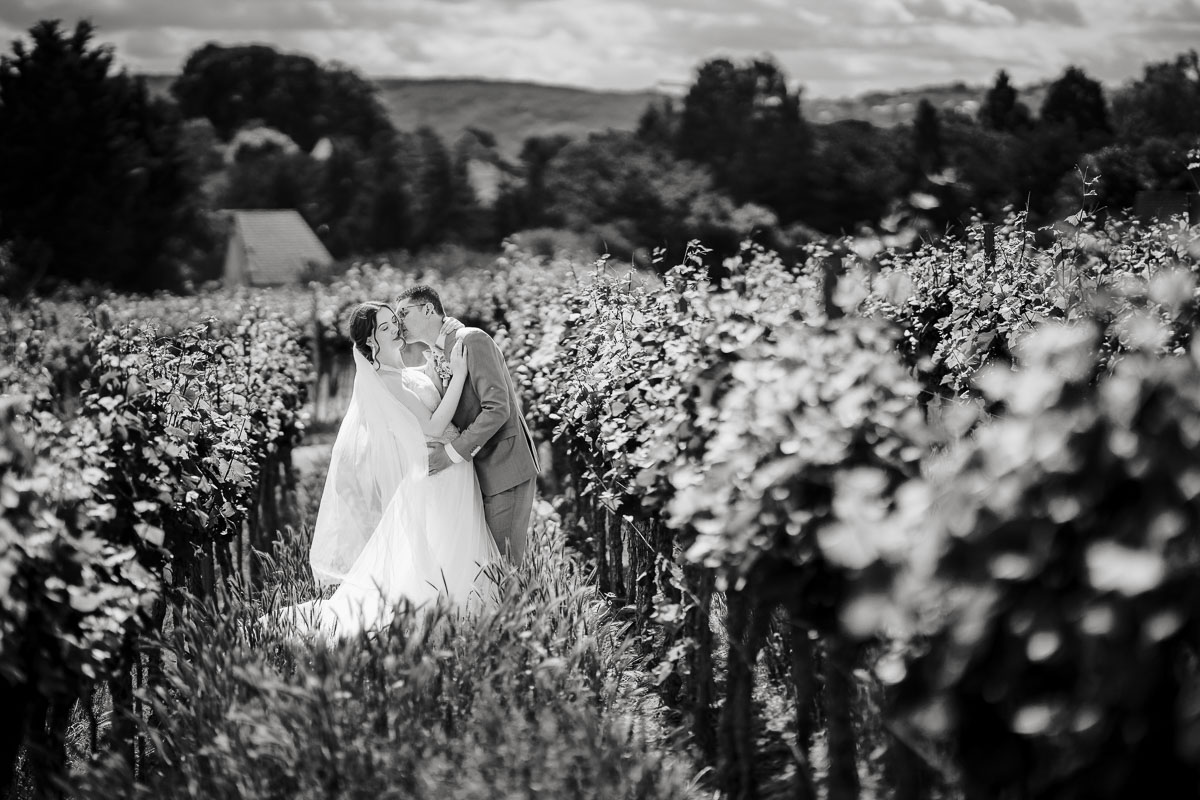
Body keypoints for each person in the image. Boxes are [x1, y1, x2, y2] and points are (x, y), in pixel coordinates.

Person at [286, 301, 500, 638]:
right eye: (385, 327)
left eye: (394, 322)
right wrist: (459, 374)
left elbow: (430, 389)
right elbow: (433, 425)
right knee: (450, 546)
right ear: (370, 342)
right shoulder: (387, 381)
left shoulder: (403, 373)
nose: (395, 329)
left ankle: (461, 617)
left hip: (451, 467)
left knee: (451, 546)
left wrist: (440, 355)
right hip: (441, 470)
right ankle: (448, 619)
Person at [394, 286, 540, 562]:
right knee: (482, 567)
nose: (398, 322)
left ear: (428, 309)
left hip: (503, 466)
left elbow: (497, 409)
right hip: (473, 474)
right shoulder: (436, 354)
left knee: (503, 567)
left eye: (404, 313)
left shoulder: (471, 340)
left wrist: (450, 454)